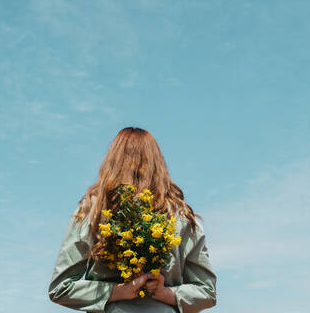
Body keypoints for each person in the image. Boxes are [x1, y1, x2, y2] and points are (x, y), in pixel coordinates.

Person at [48, 127, 217, 313]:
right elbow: (206, 292)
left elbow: (61, 288)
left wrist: (118, 292)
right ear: (158, 163)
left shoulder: (93, 210)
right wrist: (163, 293)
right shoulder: (181, 215)